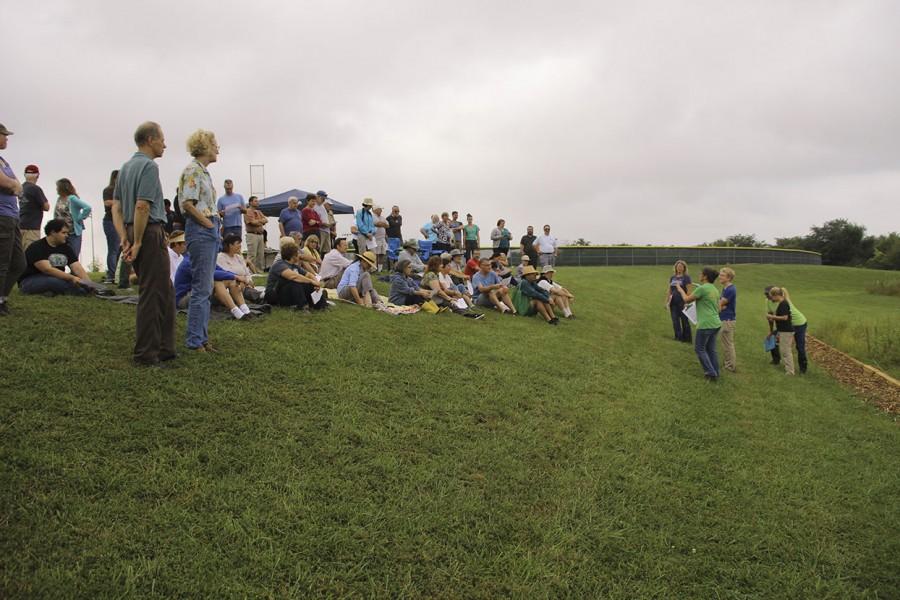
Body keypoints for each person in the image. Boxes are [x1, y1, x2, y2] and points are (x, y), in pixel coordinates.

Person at [111, 121, 176, 366]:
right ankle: (146, 354)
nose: (165, 145)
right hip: (148, 231)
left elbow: (117, 207)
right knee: (152, 292)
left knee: (165, 290)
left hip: (133, 229)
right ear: (150, 139)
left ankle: (165, 347)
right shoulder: (149, 167)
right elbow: (142, 206)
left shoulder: (126, 167)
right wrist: (137, 241)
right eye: (162, 139)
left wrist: (124, 237)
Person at [178, 128, 221, 353]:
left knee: (206, 287)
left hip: (210, 229)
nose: (218, 148)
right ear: (205, 146)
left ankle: (201, 338)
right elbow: (188, 204)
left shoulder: (203, 172)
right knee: (201, 288)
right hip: (202, 230)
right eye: (215, 144)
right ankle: (195, 340)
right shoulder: (193, 170)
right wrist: (207, 224)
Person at [18, 219, 104, 296]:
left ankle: (94, 291)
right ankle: (82, 293)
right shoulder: (37, 247)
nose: (67, 235)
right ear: (53, 232)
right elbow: (47, 269)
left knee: (62, 282)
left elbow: (77, 268)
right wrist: (72, 278)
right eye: (63, 233)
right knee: (55, 282)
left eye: (67, 233)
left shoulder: (66, 248)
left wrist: (89, 283)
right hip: (30, 280)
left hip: (56, 278)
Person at [175, 251, 252, 320]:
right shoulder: (189, 262)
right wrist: (236, 276)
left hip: (198, 295)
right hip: (183, 300)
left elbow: (221, 270)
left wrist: (237, 277)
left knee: (231, 280)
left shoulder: (203, 258)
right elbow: (210, 273)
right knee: (216, 281)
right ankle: (236, 311)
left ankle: (245, 309)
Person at [676, 267, 722, 381]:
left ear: (705, 276)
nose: (699, 274)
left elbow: (686, 299)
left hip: (705, 324)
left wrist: (680, 289)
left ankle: (711, 373)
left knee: (699, 349)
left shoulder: (702, 289)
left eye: (701, 273)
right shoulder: (714, 289)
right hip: (716, 323)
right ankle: (715, 371)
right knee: (711, 349)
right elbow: (718, 308)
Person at [0, 123, 25, 317]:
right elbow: (6, 183)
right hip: (2, 216)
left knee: (19, 263)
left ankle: (3, 298)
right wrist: (13, 185)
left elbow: (17, 185)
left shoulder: (3, 161)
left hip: (12, 217)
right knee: (3, 262)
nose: (7, 138)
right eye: (4, 135)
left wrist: (14, 185)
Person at [264, 241, 326, 310]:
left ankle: (321, 305)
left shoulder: (294, 266)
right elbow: (293, 276)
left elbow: (308, 274)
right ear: (294, 255)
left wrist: (315, 283)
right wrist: (311, 281)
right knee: (296, 282)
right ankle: (303, 307)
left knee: (309, 284)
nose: (300, 255)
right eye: (298, 253)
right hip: (274, 295)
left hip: (286, 293)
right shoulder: (279, 264)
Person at [54, 178, 91, 259]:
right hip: (61, 232)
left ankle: (74, 271)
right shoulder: (59, 199)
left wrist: (79, 218)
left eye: (57, 187)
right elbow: (56, 213)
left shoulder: (72, 199)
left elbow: (87, 207)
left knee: (73, 255)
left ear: (62, 188)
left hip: (72, 233)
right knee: (60, 255)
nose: (56, 189)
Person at [217, 232, 259, 302]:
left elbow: (247, 273)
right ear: (230, 245)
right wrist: (242, 280)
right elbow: (226, 274)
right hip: (231, 286)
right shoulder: (220, 258)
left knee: (251, 291)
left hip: (244, 285)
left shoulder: (239, 257)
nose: (240, 246)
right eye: (238, 243)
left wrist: (249, 281)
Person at [19, 164, 50, 250]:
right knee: (31, 253)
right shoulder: (35, 189)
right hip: (32, 227)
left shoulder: (21, 187)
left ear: (25, 175)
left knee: (20, 254)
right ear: (37, 175)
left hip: (20, 224)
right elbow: (46, 207)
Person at [766, 287, 795, 375]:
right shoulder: (782, 303)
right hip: (783, 330)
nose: (772, 299)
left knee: (786, 350)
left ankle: (790, 371)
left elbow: (785, 317)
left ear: (776, 295)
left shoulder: (783, 303)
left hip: (786, 331)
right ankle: (788, 367)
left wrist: (772, 317)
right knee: (784, 350)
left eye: (772, 297)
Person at [100, 170, 122, 283]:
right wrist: (120, 202)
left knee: (119, 249)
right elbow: (107, 202)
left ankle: (117, 273)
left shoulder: (122, 190)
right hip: (110, 221)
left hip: (121, 221)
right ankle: (112, 274)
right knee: (113, 248)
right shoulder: (108, 190)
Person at [665, 260, 693, 343]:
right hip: (673, 302)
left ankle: (687, 339)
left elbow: (689, 291)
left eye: (681, 266)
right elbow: (669, 290)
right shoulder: (672, 277)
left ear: (684, 268)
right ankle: (678, 337)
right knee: (675, 320)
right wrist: (667, 302)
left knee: (684, 321)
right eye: (678, 266)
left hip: (683, 302)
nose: (679, 268)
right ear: (675, 267)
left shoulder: (686, 277)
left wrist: (687, 302)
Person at [718, 267, 737, 372]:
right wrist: (721, 306)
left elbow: (719, 304)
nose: (719, 277)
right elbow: (721, 305)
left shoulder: (730, 289)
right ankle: (728, 364)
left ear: (728, 277)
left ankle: (730, 366)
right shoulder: (725, 288)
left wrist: (721, 306)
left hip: (727, 320)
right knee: (725, 344)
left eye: (722, 275)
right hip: (724, 318)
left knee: (728, 344)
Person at [244, 195, 268, 272]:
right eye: (255, 201)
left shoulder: (259, 211)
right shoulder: (247, 211)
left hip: (260, 235)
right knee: (252, 255)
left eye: (258, 201)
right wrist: (260, 221)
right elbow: (252, 222)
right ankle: (250, 271)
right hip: (252, 235)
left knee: (260, 255)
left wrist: (258, 221)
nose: (258, 202)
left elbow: (266, 220)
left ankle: (259, 271)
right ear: (250, 202)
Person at [373, 205, 389, 271]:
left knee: (382, 254)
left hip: (382, 238)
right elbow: (377, 224)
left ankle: (380, 269)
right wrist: (382, 224)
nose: (381, 211)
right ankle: (375, 268)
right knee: (376, 254)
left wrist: (381, 224)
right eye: (380, 209)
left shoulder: (382, 217)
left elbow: (387, 225)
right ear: (375, 210)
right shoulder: (373, 216)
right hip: (375, 238)